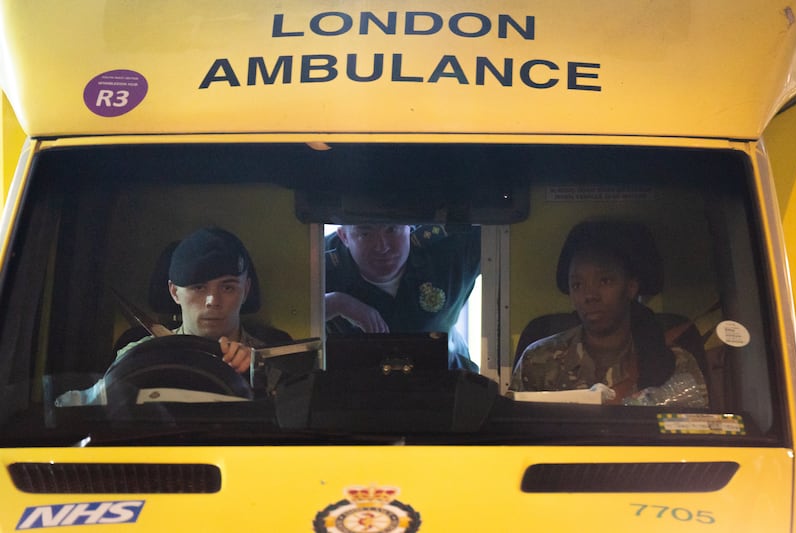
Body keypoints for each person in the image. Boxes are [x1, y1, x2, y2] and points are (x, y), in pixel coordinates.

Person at [56, 227, 287, 406]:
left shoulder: (275, 358)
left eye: (227, 288)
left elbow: (298, 427)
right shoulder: (140, 354)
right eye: (198, 288)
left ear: (245, 290)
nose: (212, 301)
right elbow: (72, 407)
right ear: (175, 292)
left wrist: (259, 375)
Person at [509, 219, 708, 407]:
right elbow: (514, 434)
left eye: (605, 281)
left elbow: (697, 434)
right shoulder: (539, 359)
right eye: (577, 285)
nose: (589, 295)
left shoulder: (673, 362)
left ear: (630, 287)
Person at [325, 223, 480, 371]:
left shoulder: (446, 249)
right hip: (354, 389)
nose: (382, 247)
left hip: (448, 380)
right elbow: (299, 312)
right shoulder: (318, 262)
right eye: (365, 234)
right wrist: (334, 303)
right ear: (344, 236)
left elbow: (501, 231)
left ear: (409, 225)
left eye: (391, 230)